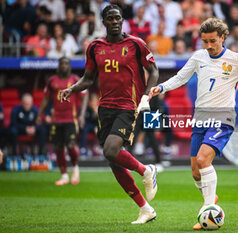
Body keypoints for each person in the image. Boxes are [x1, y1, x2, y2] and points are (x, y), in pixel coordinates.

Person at [148, 17, 238, 230]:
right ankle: (211, 198)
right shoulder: (199, 56)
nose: (208, 46)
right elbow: (181, 77)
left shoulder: (236, 60)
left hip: (223, 118)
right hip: (201, 119)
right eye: (205, 41)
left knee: (203, 159)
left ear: (223, 38)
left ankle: (209, 210)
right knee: (195, 172)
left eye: (212, 41)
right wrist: (161, 88)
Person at [59, 5, 158, 224]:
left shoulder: (135, 44)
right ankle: (145, 209)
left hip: (128, 105)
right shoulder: (95, 47)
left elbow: (154, 70)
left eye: (118, 18)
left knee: (111, 149)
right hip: (105, 107)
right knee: (113, 160)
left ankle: (146, 170)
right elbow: (88, 78)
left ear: (123, 20)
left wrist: (146, 96)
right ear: (103, 22)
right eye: (110, 19)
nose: (114, 22)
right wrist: (72, 88)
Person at [37, 57, 88, 186]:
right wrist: (39, 114)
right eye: (61, 64)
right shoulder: (51, 81)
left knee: (70, 144)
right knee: (58, 146)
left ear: (69, 66)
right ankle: (64, 175)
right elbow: (46, 98)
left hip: (71, 119)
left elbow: (85, 96)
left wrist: (82, 115)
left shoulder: (76, 80)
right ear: (58, 66)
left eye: (66, 63)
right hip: (56, 119)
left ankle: (75, 168)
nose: (64, 66)